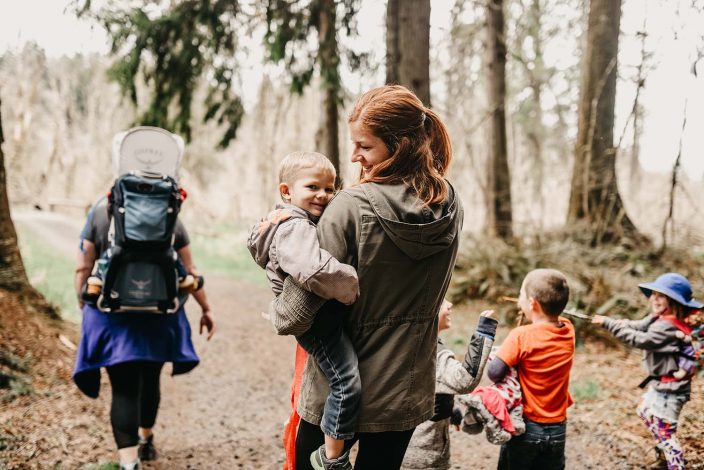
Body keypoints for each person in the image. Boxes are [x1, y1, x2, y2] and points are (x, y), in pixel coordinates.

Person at [269, 84, 463, 470]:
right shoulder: (449, 204)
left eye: (365, 146)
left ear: (401, 144)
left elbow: (294, 315)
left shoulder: (350, 206)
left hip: (338, 386)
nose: (355, 155)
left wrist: (275, 249)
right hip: (405, 386)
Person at [73, 199, 215, 470]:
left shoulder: (100, 212)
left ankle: (129, 463)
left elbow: (83, 266)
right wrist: (206, 308)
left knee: (124, 387)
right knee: (150, 378)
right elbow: (190, 271)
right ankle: (146, 438)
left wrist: (84, 303)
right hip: (159, 315)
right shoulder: (168, 211)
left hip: (111, 315)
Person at [247, 151, 360, 470]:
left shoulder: (291, 221)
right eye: (313, 187)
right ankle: (332, 457)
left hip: (319, 318)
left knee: (344, 377)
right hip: (317, 324)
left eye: (330, 188)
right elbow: (313, 271)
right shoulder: (294, 228)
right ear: (287, 192)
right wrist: (352, 284)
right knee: (346, 381)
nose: (323, 195)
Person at [592, 272, 702, 470]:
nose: (653, 298)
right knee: (644, 411)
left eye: (660, 296)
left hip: (671, 391)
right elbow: (640, 326)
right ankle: (664, 451)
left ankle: (674, 462)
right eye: (653, 294)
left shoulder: (666, 327)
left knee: (666, 433)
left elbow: (640, 339)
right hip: (662, 385)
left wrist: (609, 325)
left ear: (673, 301)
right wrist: (620, 322)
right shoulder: (659, 318)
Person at [487, 268, 574, 470]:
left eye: (520, 295)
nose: (518, 301)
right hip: (558, 429)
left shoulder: (521, 335)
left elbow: (494, 372)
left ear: (533, 303)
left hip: (527, 427)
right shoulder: (568, 329)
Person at [400, 301, 498, 470]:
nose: (450, 304)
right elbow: (465, 380)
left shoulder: (412, 343)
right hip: (425, 457)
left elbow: (422, 388)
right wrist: (484, 332)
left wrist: (448, 408)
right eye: (443, 301)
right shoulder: (433, 352)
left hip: (407, 449)